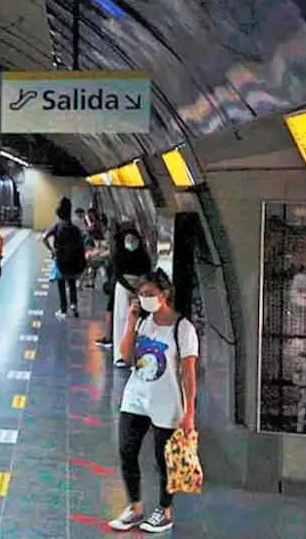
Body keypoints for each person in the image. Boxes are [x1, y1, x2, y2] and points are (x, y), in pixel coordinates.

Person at [109, 269, 198, 534]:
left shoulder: (183, 329)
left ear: (165, 295)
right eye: (142, 295)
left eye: (150, 294)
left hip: (167, 401)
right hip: (136, 397)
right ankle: (135, 507)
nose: (145, 299)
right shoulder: (142, 323)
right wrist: (130, 322)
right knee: (127, 451)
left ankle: (164, 510)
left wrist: (189, 411)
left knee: (164, 459)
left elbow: (189, 373)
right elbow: (124, 356)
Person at [103, 226, 154, 361]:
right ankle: (121, 355)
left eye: (133, 239)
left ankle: (136, 355)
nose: (130, 242)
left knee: (138, 322)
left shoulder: (143, 255)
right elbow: (118, 274)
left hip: (139, 288)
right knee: (121, 319)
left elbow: (147, 271)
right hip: (124, 288)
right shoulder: (118, 255)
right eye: (128, 239)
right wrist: (132, 288)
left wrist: (140, 286)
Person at [43, 197, 87, 319]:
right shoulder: (75, 229)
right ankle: (74, 306)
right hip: (73, 261)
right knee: (72, 284)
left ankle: (63, 309)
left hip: (60, 260)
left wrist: (51, 249)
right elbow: (81, 245)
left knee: (61, 285)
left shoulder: (56, 227)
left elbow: (44, 238)